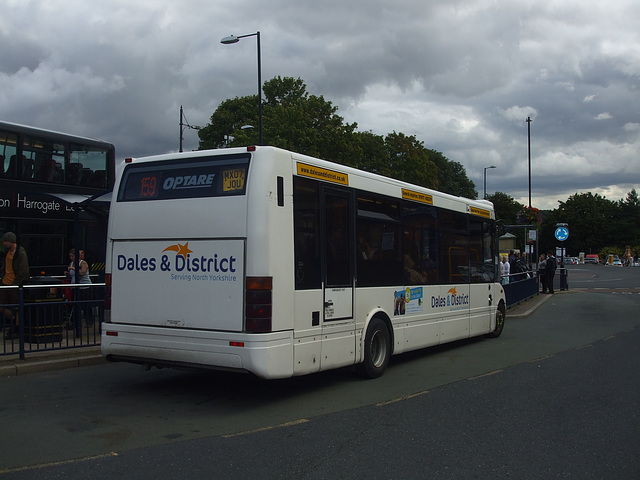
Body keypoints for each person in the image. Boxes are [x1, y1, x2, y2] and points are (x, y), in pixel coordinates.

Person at [1, 232, 30, 338]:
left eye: (6, 241)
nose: (4, 243)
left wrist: (15, 284)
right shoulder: (7, 252)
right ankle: (14, 320)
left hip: (14, 284)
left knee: (17, 307)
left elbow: (23, 271)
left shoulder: (20, 253)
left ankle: (16, 327)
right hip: (5, 283)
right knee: (3, 305)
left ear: (11, 241)